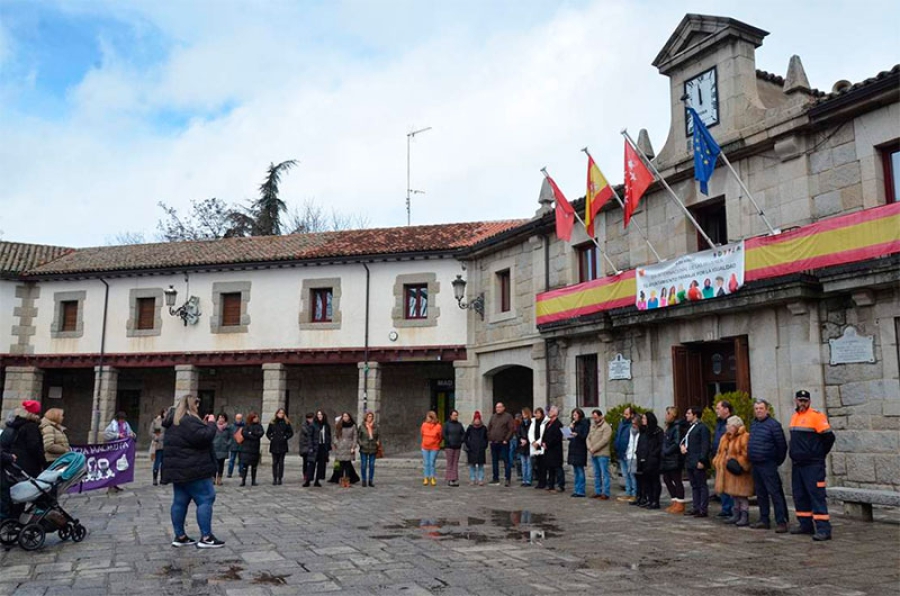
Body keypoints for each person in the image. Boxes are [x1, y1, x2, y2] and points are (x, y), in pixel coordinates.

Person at [161, 395, 224, 549]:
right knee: (206, 498)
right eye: (197, 404)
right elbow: (205, 437)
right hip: (193, 468)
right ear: (191, 405)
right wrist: (211, 423)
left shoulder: (173, 422)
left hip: (177, 469)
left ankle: (180, 536)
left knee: (180, 501)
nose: (198, 407)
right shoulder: (188, 420)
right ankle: (206, 537)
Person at [789, 390, 835, 541]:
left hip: (813, 465)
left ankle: (823, 529)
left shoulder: (817, 416)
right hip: (798, 464)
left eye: (805, 401)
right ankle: (805, 525)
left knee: (816, 495)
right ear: (796, 401)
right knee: (800, 495)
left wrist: (818, 454)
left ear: (809, 401)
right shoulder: (794, 417)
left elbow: (829, 437)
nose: (802, 403)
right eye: (800, 400)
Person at [748, 399, 789, 532]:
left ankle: (781, 521)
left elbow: (781, 446)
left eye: (761, 408)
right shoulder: (754, 424)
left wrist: (776, 461)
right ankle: (764, 519)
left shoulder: (774, 425)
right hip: (756, 464)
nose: (758, 411)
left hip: (768, 464)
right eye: (756, 408)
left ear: (767, 410)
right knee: (761, 493)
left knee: (775, 493)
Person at [0, 400, 45, 520]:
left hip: (14, 466)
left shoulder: (15, 425)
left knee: (13, 495)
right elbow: (34, 447)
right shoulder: (31, 426)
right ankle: (14, 520)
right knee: (22, 495)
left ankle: (10, 519)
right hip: (26, 466)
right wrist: (43, 460)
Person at [713, 415, 754, 526]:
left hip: (739, 471)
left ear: (736, 426)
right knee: (733, 494)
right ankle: (735, 514)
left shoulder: (744, 436)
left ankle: (744, 516)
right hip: (728, 471)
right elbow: (719, 452)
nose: (727, 427)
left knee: (742, 495)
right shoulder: (725, 437)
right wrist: (718, 461)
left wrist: (737, 462)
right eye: (727, 425)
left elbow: (746, 454)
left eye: (730, 425)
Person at [681, 406, 711, 517]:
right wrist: (682, 446)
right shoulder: (690, 428)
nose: (686, 415)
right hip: (689, 460)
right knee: (694, 485)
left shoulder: (702, 428)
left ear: (695, 415)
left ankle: (703, 509)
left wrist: (702, 460)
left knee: (701, 485)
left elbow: (705, 445)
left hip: (697, 460)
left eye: (689, 413)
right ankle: (696, 507)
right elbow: (684, 440)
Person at [711, 399, 735, 518]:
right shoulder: (719, 422)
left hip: (728, 457)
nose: (716, 410)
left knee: (730, 484)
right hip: (719, 456)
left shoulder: (732, 422)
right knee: (722, 483)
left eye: (718, 408)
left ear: (726, 409)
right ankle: (725, 508)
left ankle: (732, 508)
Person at [635, 412, 663, 509]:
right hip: (643, 459)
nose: (642, 420)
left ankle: (655, 501)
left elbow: (660, 445)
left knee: (654, 481)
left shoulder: (657, 431)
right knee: (646, 481)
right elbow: (641, 444)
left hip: (653, 460)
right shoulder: (643, 431)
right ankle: (649, 499)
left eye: (644, 418)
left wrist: (653, 454)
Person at [661, 406, 686, 514]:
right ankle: (674, 500)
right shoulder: (669, 427)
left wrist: (666, 451)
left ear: (673, 415)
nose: (666, 416)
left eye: (668, 413)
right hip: (667, 458)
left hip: (674, 458)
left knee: (676, 479)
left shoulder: (677, 427)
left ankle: (680, 502)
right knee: (667, 479)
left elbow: (677, 442)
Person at [104, 411, 136, 493]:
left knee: (119, 466)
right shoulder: (112, 425)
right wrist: (117, 435)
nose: (122, 421)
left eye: (123, 419)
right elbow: (106, 434)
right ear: (118, 419)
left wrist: (132, 435)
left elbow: (131, 432)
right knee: (112, 466)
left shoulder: (126, 424)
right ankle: (110, 485)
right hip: (113, 449)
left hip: (122, 450)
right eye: (121, 419)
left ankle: (115, 484)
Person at [487, 402, 515, 487]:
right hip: (494, 442)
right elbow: (489, 428)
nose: (498, 409)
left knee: (506, 461)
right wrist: (490, 437)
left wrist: (506, 439)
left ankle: (507, 479)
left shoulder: (508, 416)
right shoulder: (493, 417)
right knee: (494, 461)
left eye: (499, 407)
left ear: (503, 408)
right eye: (496, 407)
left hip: (503, 443)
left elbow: (511, 429)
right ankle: (495, 478)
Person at [586, 409, 612, 500]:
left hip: (602, 454)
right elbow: (588, 438)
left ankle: (606, 493)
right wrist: (589, 447)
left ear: (601, 416)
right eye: (593, 417)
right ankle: (598, 491)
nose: (595, 419)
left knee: (604, 474)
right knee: (596, 474)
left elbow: (605, 440)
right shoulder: (592, 426)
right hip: (593, 453)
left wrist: (594, 448)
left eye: (596, 417)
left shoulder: (606, 427)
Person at [266, 408, 294, 485]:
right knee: (274, 462)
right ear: (276, 414)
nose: (281, 414)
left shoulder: (286, 423)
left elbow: (291, 433)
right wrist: (271, 438)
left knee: (281, 462)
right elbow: (268, 433)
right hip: (274, 444)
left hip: (282, 444)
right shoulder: (272, 423)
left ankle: (280, 478)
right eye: (279, 413)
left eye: (282, 413)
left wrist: (285, 437)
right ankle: (274, 478)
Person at [332, 412, 360, 486]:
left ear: (349, 417)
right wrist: (337, 443)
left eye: (346, 416)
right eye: (344, 416)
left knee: (347, 464)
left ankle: (347, 481)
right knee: (341, 465)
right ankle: (341, 480)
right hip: (340, 447)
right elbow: (334, 435)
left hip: (349, 447)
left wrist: (353, 447)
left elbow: (355, 437)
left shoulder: (353, 426)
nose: (345, 417)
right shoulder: (338, 425)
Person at [567, 408, 590, 498]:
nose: (574, 417)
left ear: (580, 415)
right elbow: (569, 437)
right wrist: (570, 430)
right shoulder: (574, 424)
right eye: (573, 415)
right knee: (575, 470)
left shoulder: (584, 423)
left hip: (580, 449)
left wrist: (577, 434)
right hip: (573, 448)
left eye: (575, 415)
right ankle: (576, 489)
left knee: (580, 470)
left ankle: (581, 491)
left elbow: (584, 435)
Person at [614, 406, 635, 500]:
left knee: (631, 474)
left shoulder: (633, 425)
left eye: (627, 414)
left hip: (629, 453)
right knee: (625, 474)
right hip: (621, 452)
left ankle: (634, 493)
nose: (624, 415)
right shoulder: (621, 423)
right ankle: (628, 492)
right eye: (624, 413)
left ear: (632, 415)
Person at [542, 405, 565, 493]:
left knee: (558, 467)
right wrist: (543, 442)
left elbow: (557, 438)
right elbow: (544, 434)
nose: (549, 412)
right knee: (550, 468)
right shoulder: (548, 423)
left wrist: (548, 444)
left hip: (555, 450)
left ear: (556, 413)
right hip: (548, 450)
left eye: (551, 411)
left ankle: (560, 485)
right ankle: (550, 484)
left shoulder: (558, 424)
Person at [238, 412, 264, 487]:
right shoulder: (247, 425)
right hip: (246, 448)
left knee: (254, 466)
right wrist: (253, 436)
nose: (257, 419)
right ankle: (243, 480)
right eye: (255, 417)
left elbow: (260, 433)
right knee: (245, 466)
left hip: (255, 448)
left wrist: (252, 433)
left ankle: (253, 480)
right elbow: (244, 433)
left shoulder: (259, 426)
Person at [307, 410, 331, 487]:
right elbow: (310, 436)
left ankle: (317, 480)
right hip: (315, 446)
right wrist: (310, 446)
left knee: (321, 465)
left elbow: (328, 436)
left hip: (323, 447)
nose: (319, 416)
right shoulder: (313, 425)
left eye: (321, 414)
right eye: (318, 414)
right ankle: (308, 480)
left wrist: (328, 446)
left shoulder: (326, 425)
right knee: (311, 464)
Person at [463, 411, 488, 486]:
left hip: (480, 449)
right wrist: (469, 445)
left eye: (478, 419)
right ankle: (472, 479)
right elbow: (466, 437)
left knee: (481, 465)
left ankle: (480, 479)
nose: (477, 421)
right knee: (472, 465)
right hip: (472, 449)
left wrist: (484, 445)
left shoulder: (484, 428)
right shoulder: (470, 428)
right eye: (476, 419)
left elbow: (486, 438)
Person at [442, 410, 465, 487]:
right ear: (450, 416)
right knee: (450, 463)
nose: (455, 416)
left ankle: (455, 478)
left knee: (455, 463)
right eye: (454, 415)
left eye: (456, 415)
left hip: (457, 446)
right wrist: (449, 441)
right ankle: (449, 478)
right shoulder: (446, 424)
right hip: (449, 446)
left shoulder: (459, 425)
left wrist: (461, 441)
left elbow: (463, 434)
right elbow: (444, 434)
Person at [357, 411, 380, 487]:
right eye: (368, 416)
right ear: (366, 417)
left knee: (371, 465)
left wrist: (378, 442)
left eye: (371, 416)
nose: (370, 418)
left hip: (373, 447)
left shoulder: (376, 426)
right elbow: (358, 437)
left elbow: (378, 436)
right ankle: (364, 480)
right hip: (364, 448)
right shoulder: (362, 426)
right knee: (363, 465)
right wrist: (361, 444)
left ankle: (370, 480)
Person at [420, 411, 442, 487]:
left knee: (432, 462)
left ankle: (432, 477)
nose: (427, 418)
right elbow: (422, 434)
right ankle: (426, 477)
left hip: (434, 447)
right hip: (425, 447)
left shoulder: (438, 426)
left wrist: (436, 442)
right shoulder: (424, 425)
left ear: (432, 418)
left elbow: (440, 436)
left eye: (428, 417)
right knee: (426, 463)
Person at [528, 407, 548, 489]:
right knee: (537, 465)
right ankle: (539, 482)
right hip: (534, 446)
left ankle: (543, 482)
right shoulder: (533, 422)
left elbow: (543, 434)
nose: (537, 415)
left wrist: (538, 442)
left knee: (543, 466)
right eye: (536, 413)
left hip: (541, 445)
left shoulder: (544, 422)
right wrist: (533, 442)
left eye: (538, 413)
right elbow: (530, 433)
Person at [623, 417, 640, 504]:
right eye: (632, 424)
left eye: (635, 424)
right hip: (629, 455)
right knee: (628, 474)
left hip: (636, 456)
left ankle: (635, 494)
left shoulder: (640, 433)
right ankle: (629, 493)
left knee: (634, 476)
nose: (633, 425)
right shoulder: (629, 431)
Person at [212, 413, 231, 486]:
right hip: (215, 448)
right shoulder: (214, 427)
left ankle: (219, 478)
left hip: (223, 448)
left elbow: (231, 438)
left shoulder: (228, 428)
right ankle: (213, 478)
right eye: (220, 418)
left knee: (221, 464)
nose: (221, 419)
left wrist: (227, 444)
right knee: (214, 464)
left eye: (223, 418)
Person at [516, 408, 533, 487]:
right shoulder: (521, 424)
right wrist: (521, 439)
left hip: (529, 445)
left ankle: (528, 480)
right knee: (523, 463)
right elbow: (518, 433)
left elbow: (532, 434)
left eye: (524, 413)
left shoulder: (532, 423)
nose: (523, 415)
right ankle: (524, 479)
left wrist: (527, 440)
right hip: (522, 446)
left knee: (529, 463)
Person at [149, 408, 167, 481]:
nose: (166, 414)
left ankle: (163, 478)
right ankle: (155, 479)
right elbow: (151, 432)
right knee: (157, 462)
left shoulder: (169, 421)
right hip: (158, 444)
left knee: (164, 463)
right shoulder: (156, 421)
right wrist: (156, 437)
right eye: (165, 413)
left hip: (166, 444)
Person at [226, 413, 244, 478]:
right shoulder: (231, 426)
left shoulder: (244, 426)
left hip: (241, 445)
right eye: (237, 418)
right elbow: (227, 434)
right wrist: (228, 442)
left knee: (241, 460)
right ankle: (229, 473)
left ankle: (241, 472)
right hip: (233, 445)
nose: (238, 420)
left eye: (240, 418)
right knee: (231, 460)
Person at [299, 412, 315, 485]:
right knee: (305, 462)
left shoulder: (315, 425)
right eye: (309, 418)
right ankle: (305, 474)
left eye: (311, 418)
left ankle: (310, 474)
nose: (310, 420)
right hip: (305, 446)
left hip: (312, 446)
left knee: (311, 462)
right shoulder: (304, 425)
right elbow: (308, 433)